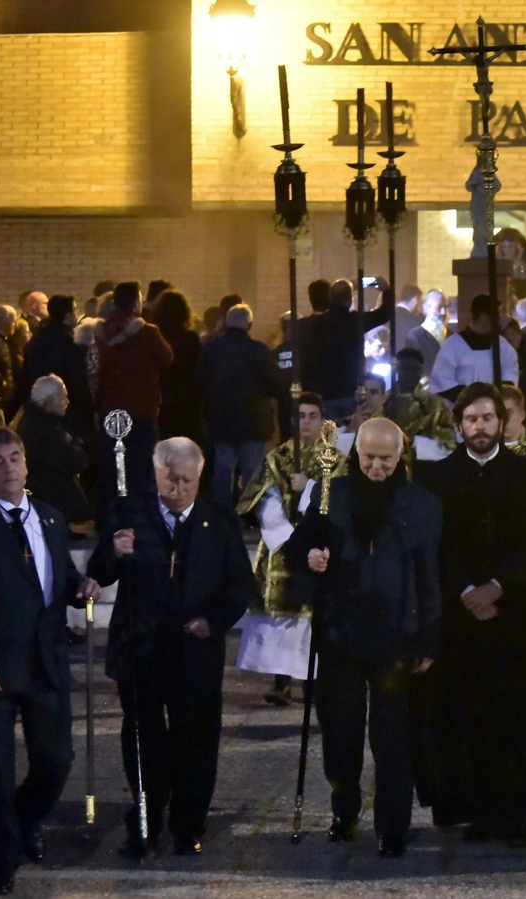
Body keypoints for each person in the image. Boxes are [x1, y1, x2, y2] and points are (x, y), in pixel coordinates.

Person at [0, 429, 101, 896]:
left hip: (45, 661)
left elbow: (58, 575)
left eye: (15, 457)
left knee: (57, 760)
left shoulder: (50, 518)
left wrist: (80, 587)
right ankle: (3, 860)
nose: (9, 467)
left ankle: (24, 818)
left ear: (26, 463)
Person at [415, 384, 526, 845]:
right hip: (460, 623)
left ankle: (518, 813)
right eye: (471, 419)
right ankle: (477, 811)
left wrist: (498, 586)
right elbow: (432, 547)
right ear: (459, 425)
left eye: (487, 418)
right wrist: (466, 590)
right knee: (468, 716)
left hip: (518, 618)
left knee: (517, 717)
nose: (479, 427)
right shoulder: (437, 479)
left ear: (502, 422)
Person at [88, 437, 254, 859]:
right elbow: (99, 572)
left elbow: (240, 585)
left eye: (187, 481)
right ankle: (144, 822)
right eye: (170, 480)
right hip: (141, 647)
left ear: (200, 477)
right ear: (156, 472)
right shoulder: (129, 513)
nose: (178, 489)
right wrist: (114, 552)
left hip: (195, 651)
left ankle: (188, 824)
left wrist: (212, 621)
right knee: (143, 739)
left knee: (196, 739)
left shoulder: (219, 520)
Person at [286, 419, 441, 857]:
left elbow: (429, 574)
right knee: (340, 731)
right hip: (341, 631)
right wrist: (311, 556)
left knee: (392, 738)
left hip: (395, 635)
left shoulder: (422, 504)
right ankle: (344, 810)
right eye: (369, 458)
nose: (376, 467)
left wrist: (429, 638)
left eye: (385, 459)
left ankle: (392, 826)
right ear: (356, 455)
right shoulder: (330, 493)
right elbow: (298, 546)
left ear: (399, 456)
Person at [235, 394, 347, 706]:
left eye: (313, 416)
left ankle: (314, 683)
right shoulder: (277, 457)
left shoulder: (335, 459)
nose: (307, 422)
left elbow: (341, 499)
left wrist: (308, 486)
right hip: (282, 545)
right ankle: (281, 682)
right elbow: (264, 499)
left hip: (320, 548)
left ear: (322, 421)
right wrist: (287, 538)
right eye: (302, 416)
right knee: (281, 619)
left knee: (311, 619)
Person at [94, 282, 174, 518]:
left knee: (113, 468)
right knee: (142, 470)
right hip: (141, 411)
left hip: (110, 409)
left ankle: (109, 517)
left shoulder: (100, 331)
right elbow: (167, 358)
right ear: (136, 302)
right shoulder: (147, 332)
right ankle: (141, 518)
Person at [198, 303, 278, 509]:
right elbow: (273, 383)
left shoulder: (212, 349)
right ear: (249, 325)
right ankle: (252, 513)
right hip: (253, 421)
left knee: (223, 472)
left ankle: (222, 514)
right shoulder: (259, 350)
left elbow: (200, 382)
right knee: (253, 473)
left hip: (221, 420)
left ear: (226, 323)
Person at [297, 279, 395, 420]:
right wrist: (386, 291)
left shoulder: (311, 324)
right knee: (352, 430)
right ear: (349, 301)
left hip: (322, 393)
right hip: (350, 390)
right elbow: (384, 313)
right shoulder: (354, 322)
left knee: (327, 432)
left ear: (330, 298)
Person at [13, 375, 92, 530]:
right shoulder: (39, 428)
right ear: (50, 401)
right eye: (63, 397)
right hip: (56, 508)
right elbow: (75, 462)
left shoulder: (42, 422)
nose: (67, 402)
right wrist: (75, 446)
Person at [19, 295, 93, 441]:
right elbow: (79, 384)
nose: (77, 314)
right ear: (67, 316)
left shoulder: (35, 342)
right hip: (67, 412)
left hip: (38, 409)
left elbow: (24, 378)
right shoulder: (70, 346)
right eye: (75, 310)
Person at [430, 294, 520, 400]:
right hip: (462, 408)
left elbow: (509, 382)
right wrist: (472, 398)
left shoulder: (503, 347)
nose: (499, 318)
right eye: (496, 314)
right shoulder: (453, 345)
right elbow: (443, 382)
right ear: (483, 317)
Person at [148, 290, 204, 446]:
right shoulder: (191, 338)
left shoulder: (154, 336)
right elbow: (199, 371)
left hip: (161, 400)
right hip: (187, 402)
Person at [383, 348, 456, 466]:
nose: (408, 374)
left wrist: (415, 443)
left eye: (413, 370)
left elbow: (449, 447)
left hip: (424, 469)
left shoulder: (436, 405)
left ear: (420, 371)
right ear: (397, 370)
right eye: (404, 369)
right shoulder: (384, 401)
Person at [334, 372, 388, 454]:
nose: (368, 396)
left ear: (384, 398)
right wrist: (352, 429)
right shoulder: (340, 426)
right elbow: (334, 458)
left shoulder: (392, 427)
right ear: (357, 395)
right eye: (364, 391)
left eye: (373, 392)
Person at [401, 289, 447, 379]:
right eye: (439, 307)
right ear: (426, 308)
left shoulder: (451, 335)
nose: (443, 312)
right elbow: (413, 368)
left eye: (445, 307)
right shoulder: (415, 336)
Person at [0, 304, 29, 409]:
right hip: (0, 396)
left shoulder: (2, 340)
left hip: (5, 394)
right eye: (13, 321)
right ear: (5, 321)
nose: (15, 325)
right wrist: (2, 385)